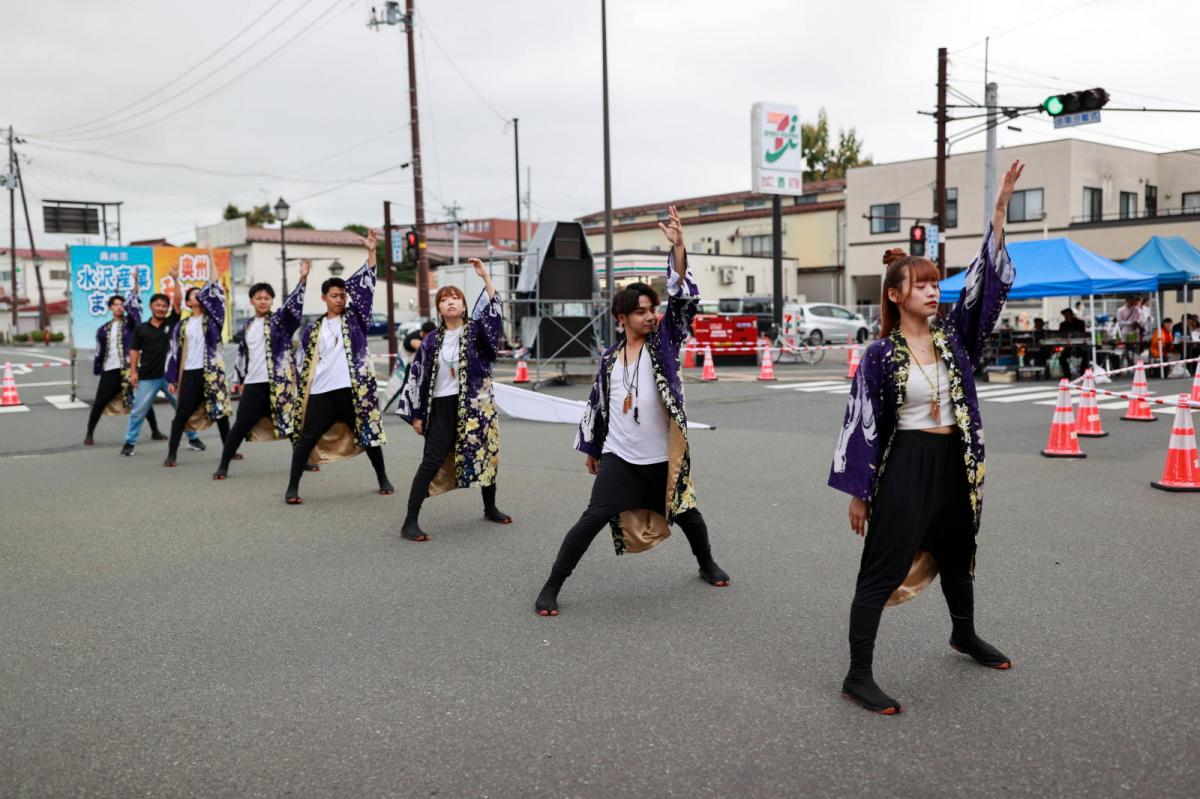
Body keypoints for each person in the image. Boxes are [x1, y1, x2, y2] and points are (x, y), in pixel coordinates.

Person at [829, 160, 1024, 715]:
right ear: (895, 295)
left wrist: (1000, 213)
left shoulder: (955, 337)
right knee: (882, 568)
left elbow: (986, 292)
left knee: (957, 554)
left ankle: (963, 634)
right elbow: (860, 423)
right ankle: (857, 675)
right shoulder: (879, 355)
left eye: (938, 283)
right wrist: (859, 491)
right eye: (923, 284)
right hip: (906, 464)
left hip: (953, 461)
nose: (935, 291)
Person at [533, 206, 730, 618]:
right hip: (620, 458)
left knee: (689, 514)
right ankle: (552, 585)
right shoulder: (609, 359)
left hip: (662, 456)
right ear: (622, 318)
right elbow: (598, 407)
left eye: (651, 309)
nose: (650, 315)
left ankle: (706, 563)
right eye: (640, 311)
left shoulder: (664, 345)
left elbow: (680, 302)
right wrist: (592, 448)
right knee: (591, 519)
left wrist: (679, 248)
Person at [395, 258, 511, 541]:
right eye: (444, 299)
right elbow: (417, 377)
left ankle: (490, 507)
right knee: (431, 461)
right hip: (441, 407)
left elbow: (494, 316)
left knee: (486, 454)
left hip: (475, 404)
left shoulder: (476, 333)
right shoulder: (431, 341)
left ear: (463, 306)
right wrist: (417, 415)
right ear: (438, 308)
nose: (450, 303)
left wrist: (485, 278)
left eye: (455, 298)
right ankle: (410, 520)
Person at [285, 229, 392, 504]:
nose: (340, 299)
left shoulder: (355, 320)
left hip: (351, 389)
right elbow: (302, 362)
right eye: (335, 295)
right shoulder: (312, 329)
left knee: (367, 434)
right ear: (324, 298)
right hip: (323, 391)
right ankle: (293, 488)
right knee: (306, 438)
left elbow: (366, 292)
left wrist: (371, 252)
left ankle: (382, 478)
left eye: (343, 295)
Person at [212, 260, 310, 479]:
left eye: (267, 298)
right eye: (259, 298)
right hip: (254, 384)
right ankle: (223, 465)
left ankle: (304, 462)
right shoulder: (247, 326)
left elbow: (293, 307)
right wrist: (238, 378)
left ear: (272, 300)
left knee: (294, 425)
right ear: (252, 301)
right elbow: (242, 355)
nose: (263, 301)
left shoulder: (280, 321)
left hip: (280, 384)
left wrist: (302, 280)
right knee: (240, 425)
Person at [122, 269, 201, 457]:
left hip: (170, 377)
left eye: (164, 306)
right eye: (158, 305)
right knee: (138, 410)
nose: (161, 308)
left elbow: (177, 301)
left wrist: (175, 279)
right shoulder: (141, 328)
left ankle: (193, 438)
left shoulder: (172, 322)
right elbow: (134, 351)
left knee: (182, 408)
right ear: (151, 306)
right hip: (148, 376)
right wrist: (133, 372)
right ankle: (129, 442)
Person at [85, 271, 167, 445]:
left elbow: (135, 306)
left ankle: (155, 430)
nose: (119, 307)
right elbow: (100, 350)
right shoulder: (103, 329)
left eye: (121, 304)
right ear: (110, 308)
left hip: (129, 369)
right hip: (110, 370)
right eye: (115, 305)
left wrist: (135, 284)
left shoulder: (131, 325)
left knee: (143, 401)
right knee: (99, 402)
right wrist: (98, 367)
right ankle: (89, 433)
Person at [162, 275, 234, 467]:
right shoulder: (182, 325)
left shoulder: (213, 320)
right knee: (181, 414)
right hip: (190, 373)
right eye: (194, 295)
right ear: (188, 302)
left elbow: (217, 295)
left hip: (211, 371)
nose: (198, 297)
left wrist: (211, 257)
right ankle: (172, 453)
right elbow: (174, 353)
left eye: (201, 294)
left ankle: (229, 450)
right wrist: (172, 378)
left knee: (219, 413)